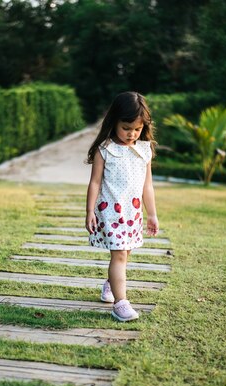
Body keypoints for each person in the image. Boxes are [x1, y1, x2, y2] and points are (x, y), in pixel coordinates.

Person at [85, 92, 158, 322]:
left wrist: (152, 214)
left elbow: (148, 186)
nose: (131, 134)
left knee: (125, 254)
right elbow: (95, 182)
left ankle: (110, 283)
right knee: (119, 256)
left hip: (132, 213)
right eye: (126, 127)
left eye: (137, 129)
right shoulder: (105, 150)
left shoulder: (144, 150)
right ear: (114, 121)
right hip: (110, 212)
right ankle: (121, 303)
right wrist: (89, 211)